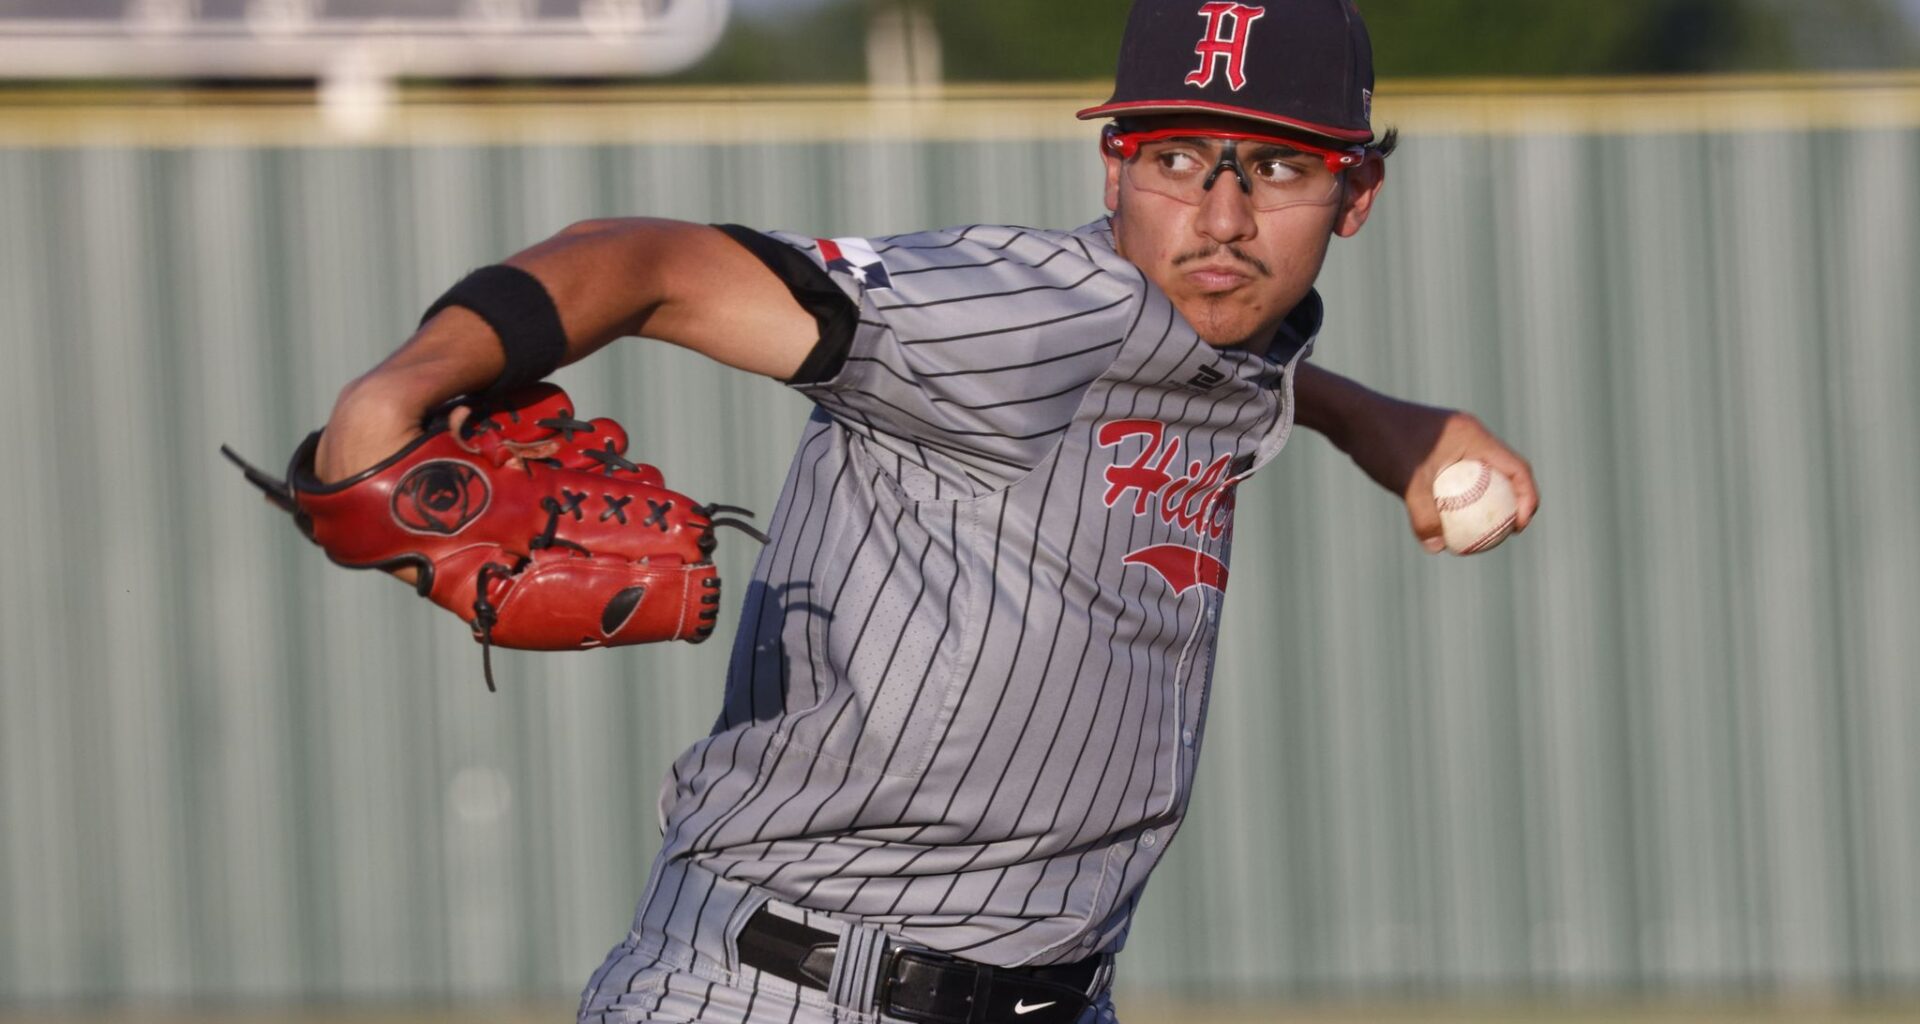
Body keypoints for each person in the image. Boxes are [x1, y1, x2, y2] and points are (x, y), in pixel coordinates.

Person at [314, 1, 1538, 1020]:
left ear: (1356, 192)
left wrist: (1391, 425)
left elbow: (1223, 359)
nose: (1221, 219)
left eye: (1276, 167)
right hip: (791, 985)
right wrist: (404, 386)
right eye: (1175, 158)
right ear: (1114, 164)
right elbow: (640, 259)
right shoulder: (1025, 309)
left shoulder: (1212, 337)